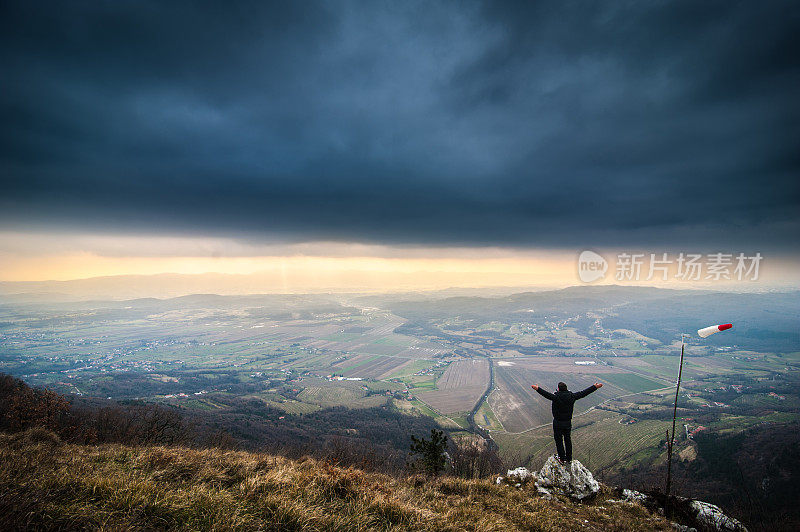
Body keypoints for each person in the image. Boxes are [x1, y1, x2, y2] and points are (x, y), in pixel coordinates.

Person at [531, 381, 603, 463]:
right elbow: (584, 393)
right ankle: (569, 458)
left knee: (559, 440)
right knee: (567, 440)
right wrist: (594, 387)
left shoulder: (556, 397)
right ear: (566, 389)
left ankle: (562, 458)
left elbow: (546, 394)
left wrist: (537, 389)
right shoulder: (572, 396)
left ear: (558, 389)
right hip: (567, 422)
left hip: (557, 422)